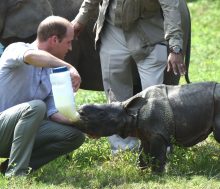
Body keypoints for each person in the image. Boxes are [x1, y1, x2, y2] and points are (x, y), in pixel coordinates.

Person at [72, 0, 186, 154]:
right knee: (115, 92)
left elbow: (171, 7)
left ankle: (157, 147)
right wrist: (80, 20)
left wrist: (175, 47)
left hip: (149, 30)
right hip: (112, 28)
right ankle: (122, 149)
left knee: (154, 96)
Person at [0, 16, 85, 177]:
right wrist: (69, 67)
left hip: (20, 134)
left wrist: (87, 123)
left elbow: (55, 113)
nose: (71, 48)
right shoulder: (16, 49)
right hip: (1, 127)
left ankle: (8, 167)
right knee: (36, 107)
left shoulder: (53, 72)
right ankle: (16, 174)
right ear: (54, 40)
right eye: (68, 42)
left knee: (74, 136)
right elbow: (31, 57)